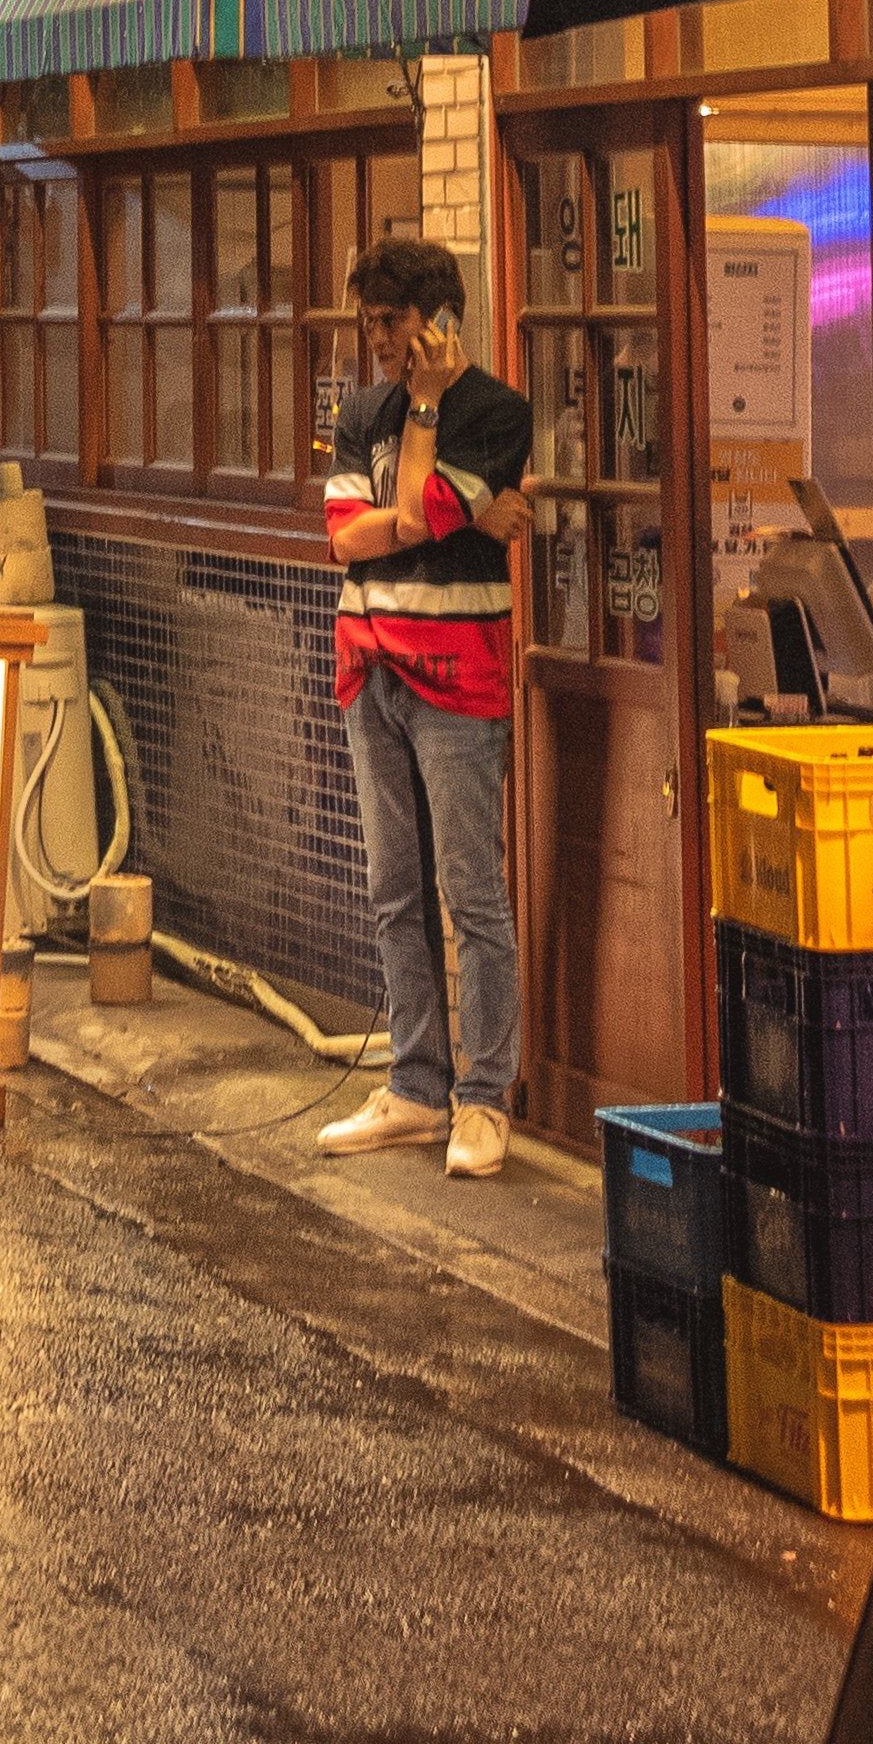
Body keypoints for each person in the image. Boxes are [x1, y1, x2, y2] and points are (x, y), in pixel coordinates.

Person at [313, 232, 536, 1181]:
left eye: (393, 321)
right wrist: (447, 512)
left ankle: (483, 1101)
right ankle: (415, 1085)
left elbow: (409, 505)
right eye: (368, 321)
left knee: (472, 895)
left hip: (460, 679)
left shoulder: (495, 412)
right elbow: (348, 536)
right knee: (393, 892)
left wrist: (432, 429)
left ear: (440, 319)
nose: (377, 339)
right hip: (373, 675)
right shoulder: (361, 409)